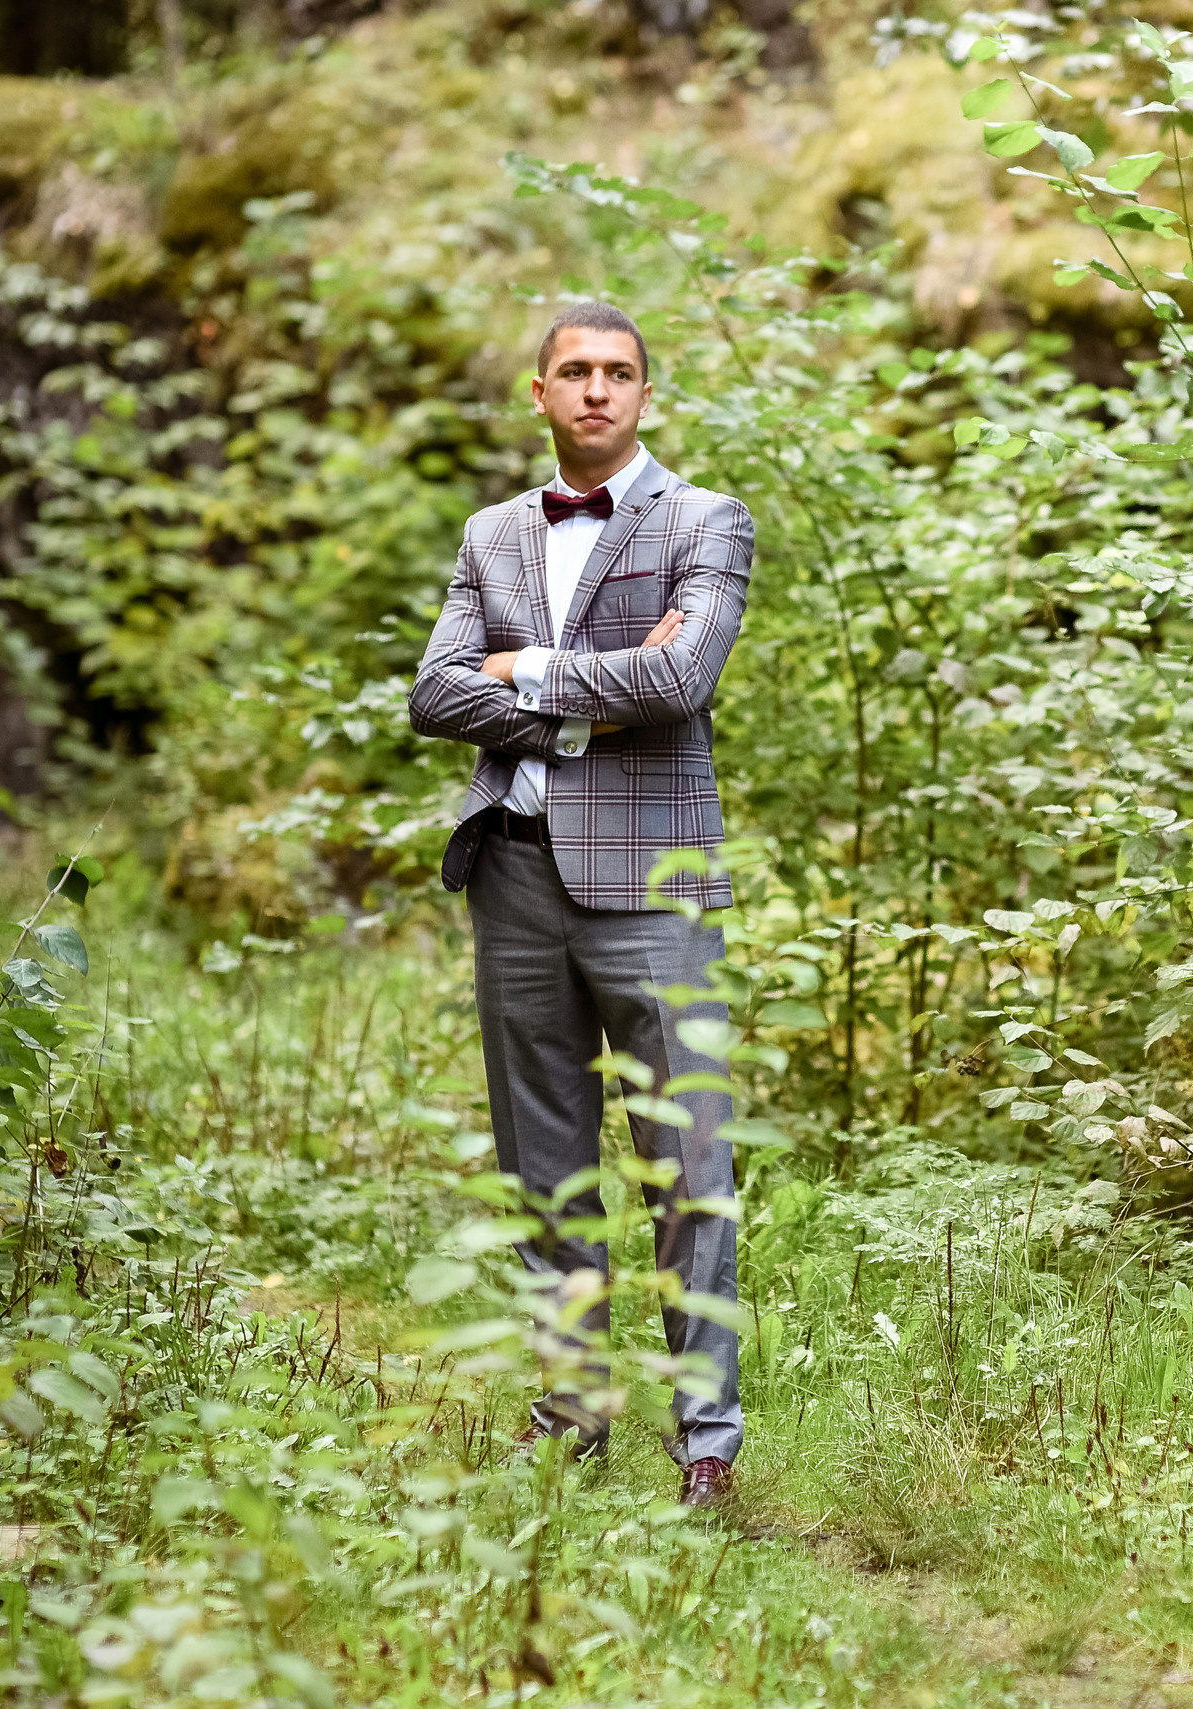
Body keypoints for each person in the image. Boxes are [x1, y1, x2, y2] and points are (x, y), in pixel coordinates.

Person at [406, 302, 753, 1506]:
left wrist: (529, 670)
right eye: (574, 372)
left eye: (618, 373)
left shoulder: (706, 520)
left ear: (643, 395)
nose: (596, 390)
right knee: (542, 1160)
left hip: (653, 881)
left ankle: (707, 1434)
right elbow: (435, 695)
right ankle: (574, 1413)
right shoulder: (492, 534)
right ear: (539, 393)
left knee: (686, 1156)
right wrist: (586, 702)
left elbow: (681, 674)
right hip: (513, 868)